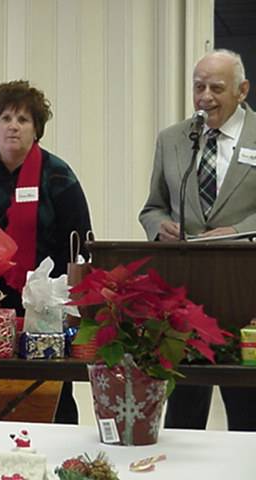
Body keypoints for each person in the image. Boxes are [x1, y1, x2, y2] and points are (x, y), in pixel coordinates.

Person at [0, 80, 92, 424]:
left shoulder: (58, 176)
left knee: (53, 397)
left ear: (36, 129)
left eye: (23, 119)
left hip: (43, 307)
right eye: (6, 118)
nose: (13, 126)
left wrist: (71, 305)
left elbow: (81, 245)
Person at [139, 49, 256, 431]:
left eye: (216, 88)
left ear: (242, 90)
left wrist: (238, 232)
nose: (205, 97)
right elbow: (152, 208)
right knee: (184, 418)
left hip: (246, 295)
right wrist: (160, 226)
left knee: (247, 414)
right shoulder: (172, 139)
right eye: (198, 87)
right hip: (184, 296)